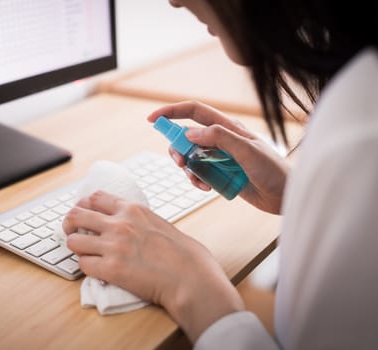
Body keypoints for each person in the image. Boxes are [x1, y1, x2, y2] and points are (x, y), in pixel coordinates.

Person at [62, 0, 378, 348]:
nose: (173, 1)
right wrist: (301, 194)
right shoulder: (359, 90)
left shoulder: (363, 141)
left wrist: (189, 282)